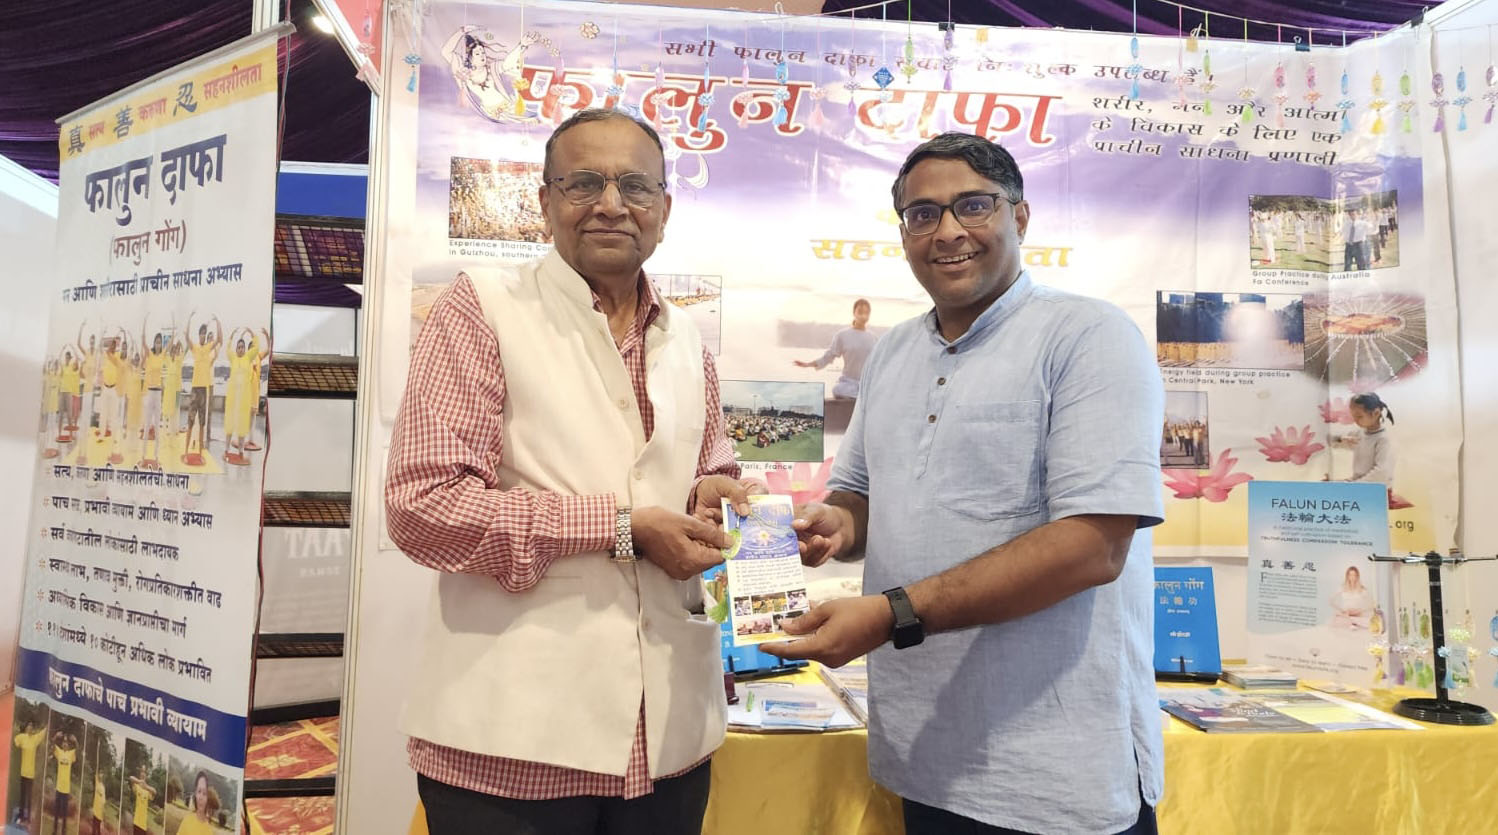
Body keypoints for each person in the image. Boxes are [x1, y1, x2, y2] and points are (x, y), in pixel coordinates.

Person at [763, 133, 1164, 835]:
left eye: (973, 205)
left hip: (1057, 771)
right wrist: (837, 525)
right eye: (923, 214)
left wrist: (890, 614)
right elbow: (859, 494)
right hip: (924, 754)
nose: (947, 230)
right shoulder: (893, 350)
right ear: (905, 234)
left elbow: (1094, 547)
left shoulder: (1089, 336)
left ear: (1020, 216)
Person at [386, 108, 759, 835]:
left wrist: (712, 495)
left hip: (669, 741)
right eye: (584, 182)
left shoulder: (687, 339)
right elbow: (423, 507)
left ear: (664, 210)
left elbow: (707, 470)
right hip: (511, 743)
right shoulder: (482, 308)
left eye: (635, 186)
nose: (611, 204)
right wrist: (621, 528)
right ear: (545, 201)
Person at [794, 299, 879, 399]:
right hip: (848, 383)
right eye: (860, 312)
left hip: (867, 384)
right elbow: (828, 356)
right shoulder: (842, 335)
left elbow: (879, 363)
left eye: (866, 312)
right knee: (837, 389)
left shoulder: (873, 338)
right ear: (854, 313)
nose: (863, 315)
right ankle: (859, 397)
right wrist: (808, 364)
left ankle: (862, 395)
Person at [184, 314, 223, 461]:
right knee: (190, 422)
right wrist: (190, 318)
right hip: (195, 389)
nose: (203, 335)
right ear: (198, 335)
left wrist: (217, 322)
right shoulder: (195, 347)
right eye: (201, 333)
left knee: (201, 423)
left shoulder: (208, 348)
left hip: (204, 390)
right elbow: (186, 336)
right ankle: (186, 452)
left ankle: (200, 454)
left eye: (204, 334)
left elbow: (219, 339)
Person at [1345, 392, 1395, 485]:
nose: (1355, 420)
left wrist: (1353, 485)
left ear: (1376, 413)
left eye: (1359, 416)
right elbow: (1338, 442)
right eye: (1353, 416)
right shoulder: (1358, 433)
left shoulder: (1383, 439)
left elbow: (1381, 473)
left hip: (1376, 489)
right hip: (1361, 485)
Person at [12, 720, 46, 825]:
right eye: (29, 726)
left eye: (32, 726)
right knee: (22, 796)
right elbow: (15, 741)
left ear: (33, 729)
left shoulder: (35, 739)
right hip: (23, 772)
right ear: (26, 728)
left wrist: (47, 725)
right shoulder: (22, 737)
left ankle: (28, 819)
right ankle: (21, 816)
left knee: (29, 797)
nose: (30, 728)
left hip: (31, 774)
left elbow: (43, 733)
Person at [1330, 565, 1375, 630]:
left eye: (1354, 575)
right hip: (1346, 615)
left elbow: (1372, 604)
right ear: (1347, 576)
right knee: (1336, 621)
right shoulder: (1342, 588)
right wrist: (1343, 611)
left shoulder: (1362, 589)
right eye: (1350, 575)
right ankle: (1352, 623)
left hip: (1358, 615)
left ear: (1357, 576)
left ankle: (1354, 623)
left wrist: (1360, 611)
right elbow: (1331, 601)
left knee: (1369, 623)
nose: (1352, 577)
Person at [51, 732, 77, 835]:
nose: (65, 743)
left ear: (69, 745)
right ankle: (54, 830)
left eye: (66, 742)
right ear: (62, 744)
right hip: (58, 788)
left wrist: (75, 741)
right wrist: (55, 737)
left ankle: (63, 831)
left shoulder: (71, 754)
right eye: (63, 742)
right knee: (56, 811)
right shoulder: (59, 752)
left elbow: (78, 750)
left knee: (64, 813)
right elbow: (53, 745)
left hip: (66, 789)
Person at [127, 763, 155, 835]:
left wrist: (146, 786)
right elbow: (130, 778)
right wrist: (140, 782)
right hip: (136, 821)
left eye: (144, 772)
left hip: (143, 824)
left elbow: (155, 792)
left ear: (146, 775)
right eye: (142, 771)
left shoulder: (148, 791)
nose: (143, 774)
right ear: (140, 774)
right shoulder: (137, 787)